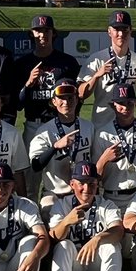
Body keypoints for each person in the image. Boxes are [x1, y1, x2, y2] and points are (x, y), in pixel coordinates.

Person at [47, 161, 125, 271]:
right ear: (72, 184)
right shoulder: (61, 205)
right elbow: (53, 238)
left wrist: (98, 238)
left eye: (91, 183)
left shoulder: (106, 204)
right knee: (63, 245)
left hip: (98, 268)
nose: (87, 189)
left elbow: (118, 230)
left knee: (111, 245)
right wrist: (66, 222)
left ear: (97, 184)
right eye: (81, 183)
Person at [28, 79, 96, 212]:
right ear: (54, 101)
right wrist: (55, 147)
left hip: (83, 193)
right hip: (55, 194)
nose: (66, 102)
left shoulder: (88, 127)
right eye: (61, 98)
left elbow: (94, 159)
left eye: (70, 98)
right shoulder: (45, 131)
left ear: (77, 100)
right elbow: (36, 166)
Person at [16, 14, 81, 147]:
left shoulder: (67, 62)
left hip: (61, 122)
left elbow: (77, 97)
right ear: (32, 33)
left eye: (47, 30)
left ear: (53, 33)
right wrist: (29, 83)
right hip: (34, 124)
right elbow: (18, 104)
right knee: (34, 166)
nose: (42, 35)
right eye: (38, 30)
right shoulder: (22, 64)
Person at [78, 9, 136, 127]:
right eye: (116, 29)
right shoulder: (97, 59)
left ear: (131, 31)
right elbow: (81, 94)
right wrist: (97, 75)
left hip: (128, 125)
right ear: (109, 31)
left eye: (125, 29)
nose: (121, 34)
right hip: (102, 125)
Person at [94, 82, 136, 208]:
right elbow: (95, 177)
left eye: (129, 103)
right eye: (121, 104)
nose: (125, 108)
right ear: (113, 105)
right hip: (112, 197)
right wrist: (104, 159)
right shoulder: (103, 134)